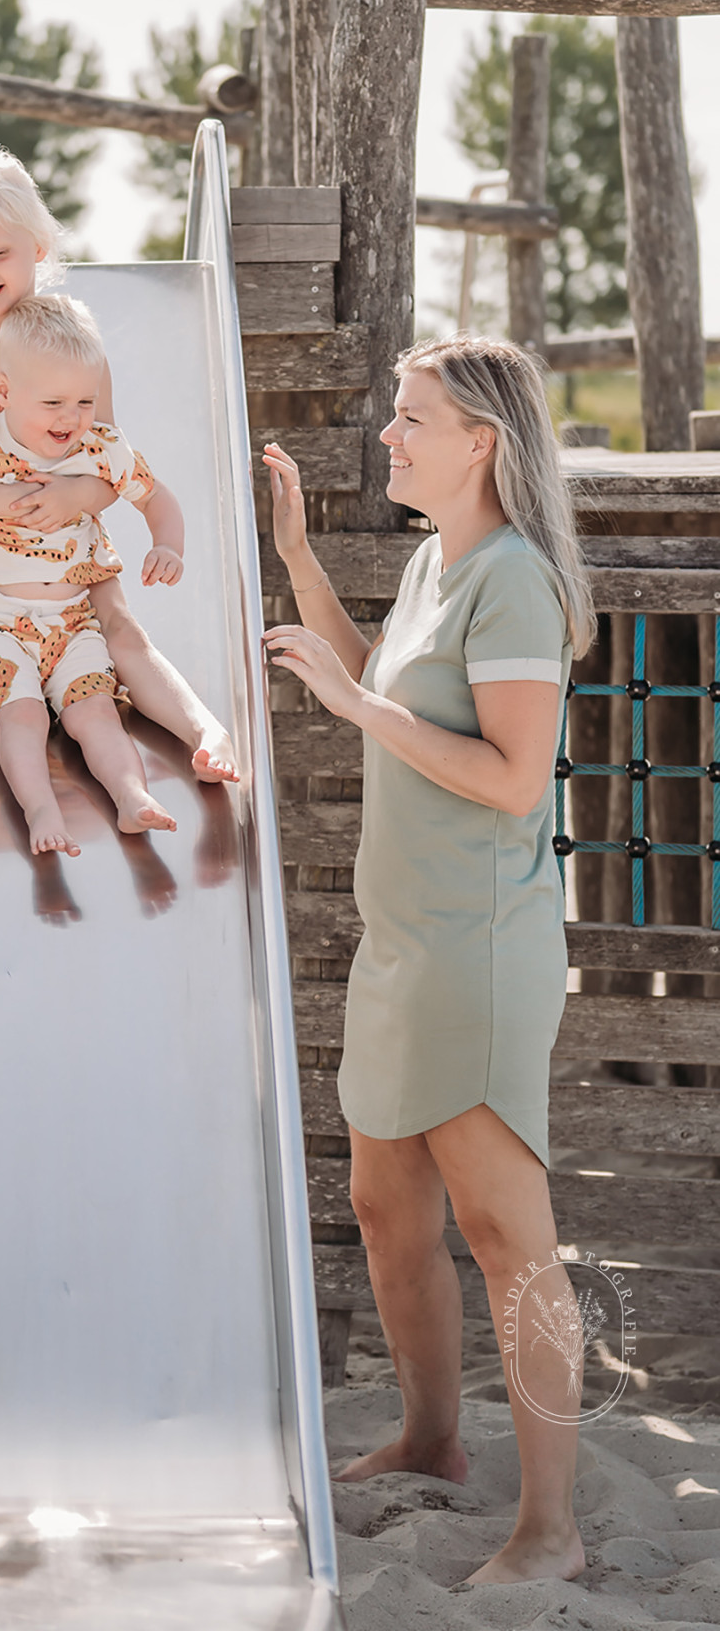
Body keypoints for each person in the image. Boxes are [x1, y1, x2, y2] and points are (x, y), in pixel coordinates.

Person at [263, 334, 594, 1588]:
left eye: (410, 417)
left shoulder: (513, 582)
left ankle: (549, 1529)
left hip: (479, 950)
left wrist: (356, 708)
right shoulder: (434, 560)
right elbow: (385, 693)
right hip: (402, 944)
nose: (388, 435)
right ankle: (431, 1438)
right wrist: (300, 560)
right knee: (387, 1210)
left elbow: (511, 779)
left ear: (481, 441)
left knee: (507, 1236)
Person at [0, 145, 237, 819]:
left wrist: (77, 496)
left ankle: (205, 731)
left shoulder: (75, 343)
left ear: (38, 245)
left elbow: (107, 459)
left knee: (121, 627)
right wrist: (4, 503)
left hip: (67, 535)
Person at [0, 293, 186, 856]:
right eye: (53, 403)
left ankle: (132, 796)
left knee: (97, 712)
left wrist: (168, 544)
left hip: (72, 619)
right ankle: (38, 808)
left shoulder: (99, 447)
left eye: (84, 402)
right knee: (22, 716)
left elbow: (155, 496)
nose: (70, 418)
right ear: (4, 392)